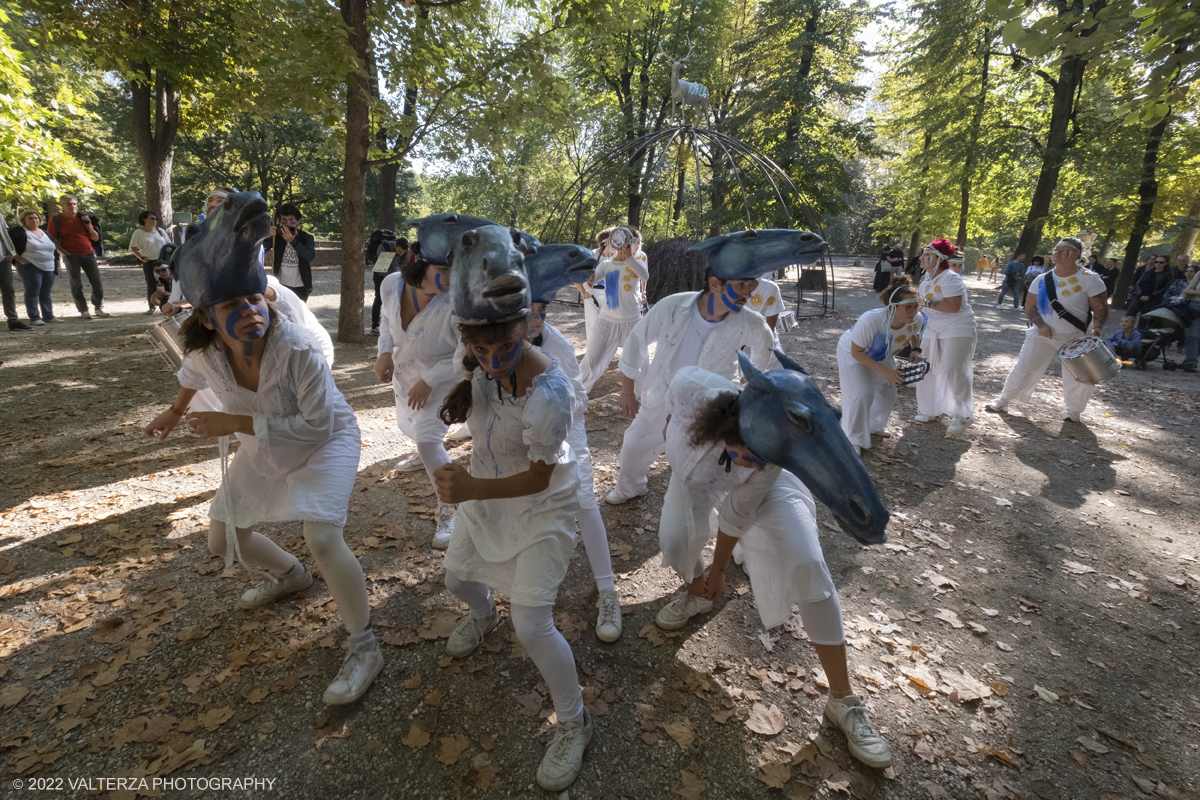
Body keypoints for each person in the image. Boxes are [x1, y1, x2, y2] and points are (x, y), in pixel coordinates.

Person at [143, 207, 381, 706]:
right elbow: (190, 376)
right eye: (233, 303)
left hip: (326, 440)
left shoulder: (298, 349)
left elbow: (318, 423)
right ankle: (291, 576)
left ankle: (364, 644)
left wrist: (231, 423)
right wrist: (171, 413)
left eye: (255, 298)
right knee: (221, 537)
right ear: (207, 316)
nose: (251, 309)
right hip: (263, 443)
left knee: (322, 534)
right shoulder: (205, 352)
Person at [652, 365, 893, 769]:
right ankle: (697, 598)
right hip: (692, 481)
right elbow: (672, 397)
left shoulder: (768, 465)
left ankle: (843, 701)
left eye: (763, 456)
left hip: (760, 497)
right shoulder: (693, 386)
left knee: (807, 563)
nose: (753, 459)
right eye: (751, 449)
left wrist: (719, 569)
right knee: (675, 539)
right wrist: (668, 429)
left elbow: (735, 515)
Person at [434, 313, 593, 792]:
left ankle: (575, 722)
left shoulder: (548, 393)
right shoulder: (481, 366)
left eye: (503, 346)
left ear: (523, 328)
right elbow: (479, 388)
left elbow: (541, 477)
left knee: (532, 623)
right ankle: (484, 617)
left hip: (541, 506)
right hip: (487, 492)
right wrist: (466, 480)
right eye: (481, 351)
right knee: (457, 580)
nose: (493, 360)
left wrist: (470, 487)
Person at [604, 270, 774, 505]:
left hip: (715, 407)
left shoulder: (751, 323)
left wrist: (747, 390)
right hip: (662, 396)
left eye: (751, 284)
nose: (749, 292)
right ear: (715, 284)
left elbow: (766, 354)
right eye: (742, 284)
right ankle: (630, 487)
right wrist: (627, 390)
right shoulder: (672, 307)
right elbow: (637, 340)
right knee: (634, 446)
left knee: (709, 462)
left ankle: (708, 509)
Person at [527, 298, 622, 642]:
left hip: (566, 429)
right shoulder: (495, 341)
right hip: (520, 435)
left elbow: (579, 399)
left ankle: (608, 592)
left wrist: (550, 408)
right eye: (528, 311)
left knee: (583, 500)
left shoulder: (558, 345)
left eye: (541, 310)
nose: (536, 319)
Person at [373, 254, 459, 549]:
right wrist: (384, 350)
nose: (451, 275)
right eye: (443, 269)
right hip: (407, 376)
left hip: (447, 378)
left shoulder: (457, 301)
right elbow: (386, 321)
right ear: (420, 265)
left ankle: (450, 507)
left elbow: (469, 353)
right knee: (412, 428)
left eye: (453, 268)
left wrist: (432, 378)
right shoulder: (391, 285)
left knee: (427, 439)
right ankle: (426, 455)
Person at [985, 236, 1108, 423]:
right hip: (1041, 333)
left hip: (1075, 335)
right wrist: (1040, 325)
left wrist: (1097, 327)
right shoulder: (1042, 279)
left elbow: (1100, 308)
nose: (1056, 252)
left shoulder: (1090, 279)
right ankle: (1004, 399)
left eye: (1063, 249)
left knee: (1079, 374)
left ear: (1076, 254)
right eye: (1055, 248)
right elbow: (1030, 306)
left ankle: (1074, 410)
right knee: (1024, 366)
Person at [837, 277, 925, 455]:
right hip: (853, 354)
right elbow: (857, 352)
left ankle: (872, 426)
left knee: (887, 394)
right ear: (893, 306)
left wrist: (915, 350)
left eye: (917, 305)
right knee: (862, 394)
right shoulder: (871, 320)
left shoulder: (916, 318)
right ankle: (852, 437)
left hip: (883, 355)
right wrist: (885, 371)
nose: (914, 310)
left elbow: (913, 332)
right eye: (909, 306)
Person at [914, 239, 976, 435]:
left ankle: (964, 414)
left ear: (939, 258)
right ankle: (929, 409)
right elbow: (923, 309)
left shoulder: (951, 278)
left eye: (926, 254)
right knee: (924, 367)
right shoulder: (926, 279)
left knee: (952, 369)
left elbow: (953, 307)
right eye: (923, 253)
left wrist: (925, 303)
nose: (922, 258)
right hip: (934, 328)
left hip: (957, 327)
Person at [577, 225, 648, 393]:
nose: (625, 246)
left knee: (641, 363)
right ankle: (575, 393)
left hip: (632, 322)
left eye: (631, 242)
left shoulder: (639, 259)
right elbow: (591, 284)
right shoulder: (607, 264)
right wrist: (589, 280)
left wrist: (628, 257)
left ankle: (644, 400)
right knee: (591, 362)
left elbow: (644, 276)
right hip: (607, 321)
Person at [47, 194, 108, 319]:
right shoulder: (56, 220)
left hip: (89, 253)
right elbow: (51, 239)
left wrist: (87, 225)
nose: (72, 206)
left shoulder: (83, 218)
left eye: (74, 203)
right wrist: (65, 253)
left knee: (97, 282)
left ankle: (99, 307)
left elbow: (95, 237)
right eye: (68, 204)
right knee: (76, 284)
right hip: (71, 255)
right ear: (62, 205)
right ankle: (83, 310)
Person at [9, 210, 60, 326]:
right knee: (33, 291)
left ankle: (48, 315)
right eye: (30, 218)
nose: (34, 220)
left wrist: (58, 265)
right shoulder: (19, 232)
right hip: (30, 266)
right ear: (24, 221)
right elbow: (8, 246)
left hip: (49, 267)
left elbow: (54, 251)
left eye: (36, 218)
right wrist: (19, 259)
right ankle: (35, 317)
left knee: (46, 292)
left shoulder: (46, 233)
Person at [265, 203, 316, 302]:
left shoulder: (306, 238)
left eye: (291, 220)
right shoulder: (276, 237)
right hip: (280, 285)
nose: (287, 224)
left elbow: (310, 256)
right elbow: (261, 250)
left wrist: (293, 242)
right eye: (284, 220)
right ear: (279, 222)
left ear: (298, 222)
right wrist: (266, 235)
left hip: (300, 286)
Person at [130, 210, 171, 315]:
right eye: (152, 218)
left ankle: (168, 302)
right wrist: (142, 257)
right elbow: (133, 248)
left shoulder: (160, 231)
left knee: (167, 281)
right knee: (151, 283)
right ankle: (151, 306)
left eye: (156, 219)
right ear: (144, 219)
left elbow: (169, 244)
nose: (155, 220)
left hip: (163, 261)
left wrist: (169, 250)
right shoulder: (139, 233)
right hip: (150, 262)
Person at [1, 211, 33, 331]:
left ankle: (13, 320)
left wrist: (10, 253)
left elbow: (4, 234)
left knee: (8, 290)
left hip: (2, 259)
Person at [370, 236, 407, 336]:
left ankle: (393, 324)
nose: (400, 254)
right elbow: (382, 269)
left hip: (394, 276)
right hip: (380, 275)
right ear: (395, 246)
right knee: (379, 298)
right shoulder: (385, 247)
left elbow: (406, 267)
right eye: (399, 251)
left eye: (402, 253)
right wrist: (393, 277)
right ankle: (375, 325)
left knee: (395, 299)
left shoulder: (404, 252)